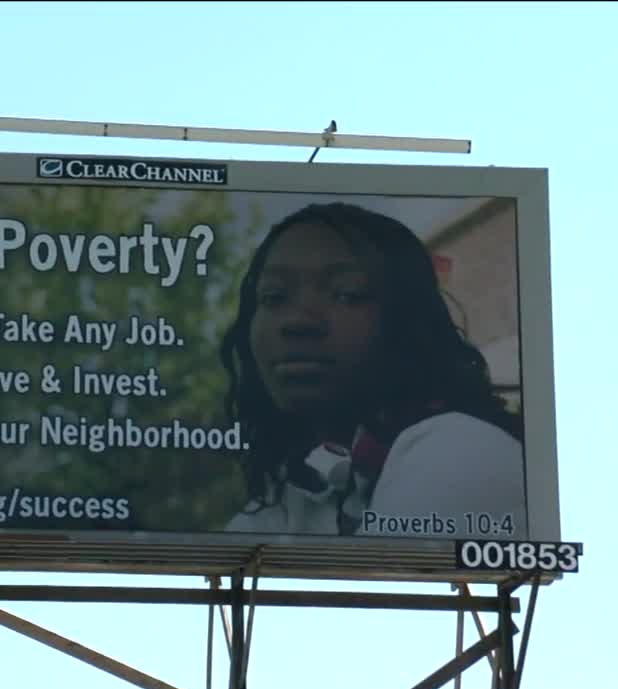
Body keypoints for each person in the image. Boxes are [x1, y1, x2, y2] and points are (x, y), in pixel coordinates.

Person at [218, 201, 526, 538]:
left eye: (346, 295)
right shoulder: (303, 488)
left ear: (407, 322)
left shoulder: (460, 451)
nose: (296, 320)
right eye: (274, 297)